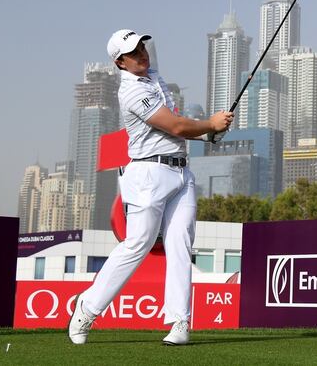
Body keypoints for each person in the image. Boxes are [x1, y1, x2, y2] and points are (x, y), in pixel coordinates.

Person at [68, 29, 233, 346]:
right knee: (137, 245)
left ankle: (179, 322)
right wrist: (210, 125)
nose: (142, 53)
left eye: (142, 46)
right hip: (147, 176)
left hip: (181, 173)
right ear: (120, 62)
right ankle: (87, 309)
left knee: (180, 244)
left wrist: (208, 134)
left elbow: (176, 128)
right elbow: (173, 125)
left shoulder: (154, 77)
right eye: (133, 52)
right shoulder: (130, 91)